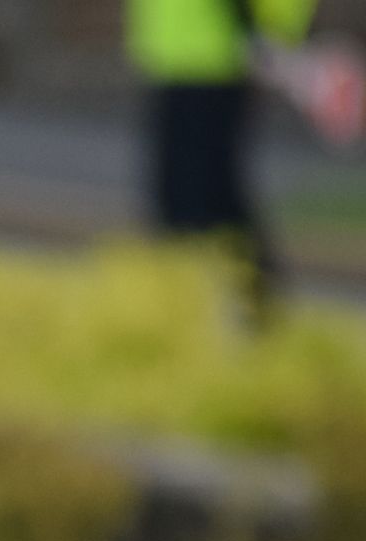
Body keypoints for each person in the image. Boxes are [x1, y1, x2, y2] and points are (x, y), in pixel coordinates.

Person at [129, 0, 321, 315]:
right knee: (201, 192)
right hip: (195, 52)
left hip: (211, 54)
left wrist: (253, 33)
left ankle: (249, 301)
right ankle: (249, 301)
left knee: (194, 196)